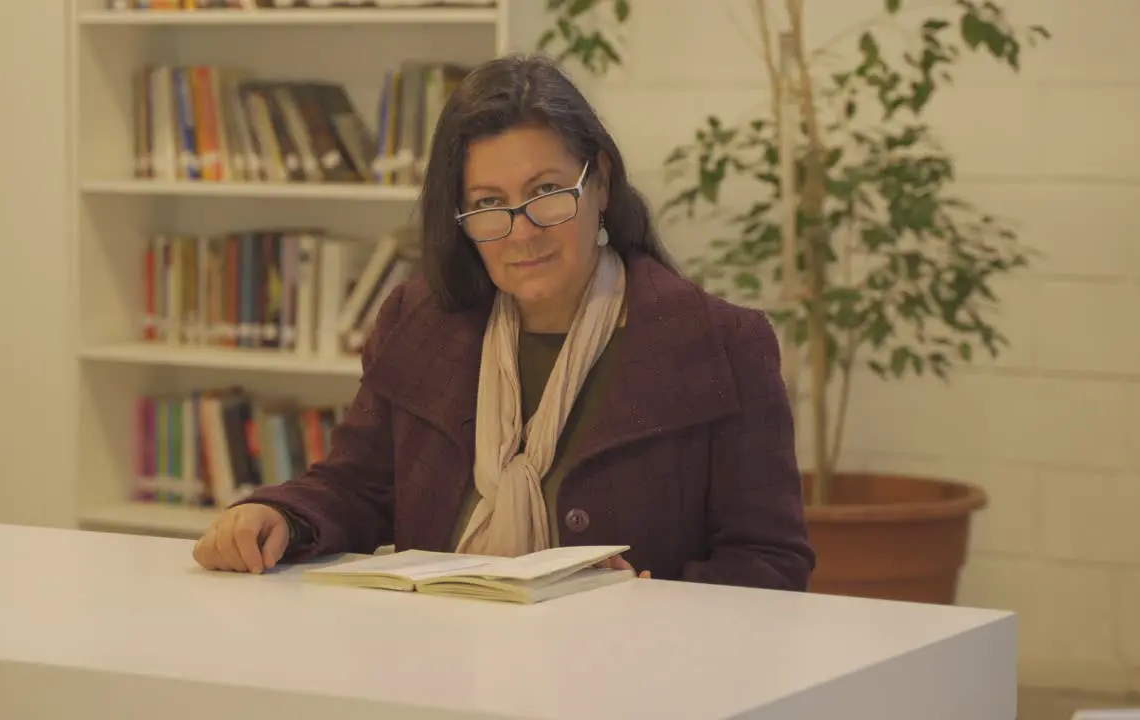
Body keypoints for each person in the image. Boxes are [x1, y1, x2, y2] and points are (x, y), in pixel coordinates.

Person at [192, 53, 815, 590]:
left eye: (545, 191)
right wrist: (280, 515)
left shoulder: (721, 343)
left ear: (597, 182)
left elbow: (770, 561)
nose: (521, 231)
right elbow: (359, 486)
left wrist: (652, 604)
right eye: (489, 203)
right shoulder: (418, 322)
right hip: (443, 661)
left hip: (631, 677)